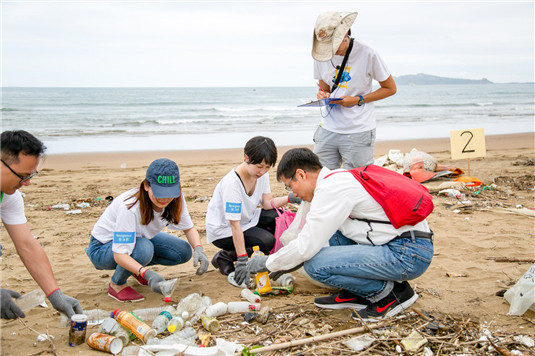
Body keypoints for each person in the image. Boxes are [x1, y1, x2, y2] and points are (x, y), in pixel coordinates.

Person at [247, 148, 433, 321]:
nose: (293, 193)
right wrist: (285, 262)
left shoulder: (331, 189)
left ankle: (390, 294)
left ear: (301, 174)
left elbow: (306, 245)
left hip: (407, 254)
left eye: (289, 186)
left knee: (316, 264)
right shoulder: (337, 178)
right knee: (331, 234)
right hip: (403, 243)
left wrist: (267, 263)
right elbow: (316, 233)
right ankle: (359, 292)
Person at [87, 158, 209, 302]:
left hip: (138, 240)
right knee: (144, 249)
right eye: (159, 192)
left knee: (183, 251)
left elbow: (188, 228)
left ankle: (134, 268)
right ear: (146, 186)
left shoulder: (176, 197)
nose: (164, 199)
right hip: (102, 248)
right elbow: (120, 254)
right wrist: (147, 273)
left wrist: (199, 249)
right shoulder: (129, 208)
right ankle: (117, 284)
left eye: (169, 192)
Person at [0, 130, 83, 319]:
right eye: (22, 176)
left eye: (31, 175)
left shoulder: (9, 197)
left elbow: (26, 244)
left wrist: (55, 294)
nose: (27, 183)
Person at [205, 136, 300, 286]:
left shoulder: (262, 175)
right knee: (267, 240)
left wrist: (290, 198)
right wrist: (242, 260)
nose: (262, 171)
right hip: (223, 229)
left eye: (267, 167)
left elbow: (268, 204)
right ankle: (225, 256)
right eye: (259, 166)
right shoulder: (232, 184)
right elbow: (234, 225)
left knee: (277, 215)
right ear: (246, 158)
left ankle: (251, 251)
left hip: (246, 219)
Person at [312, 11, 397, 169]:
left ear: (345, 35)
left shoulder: (367, 52)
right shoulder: (320, 55)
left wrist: (358, 100)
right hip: (328, 127)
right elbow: (324, 87)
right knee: (320, 176)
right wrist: (323, 94)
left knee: (359, 179)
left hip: (358, 129)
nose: (332, 51)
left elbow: (390, 88)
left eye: (334, 45)